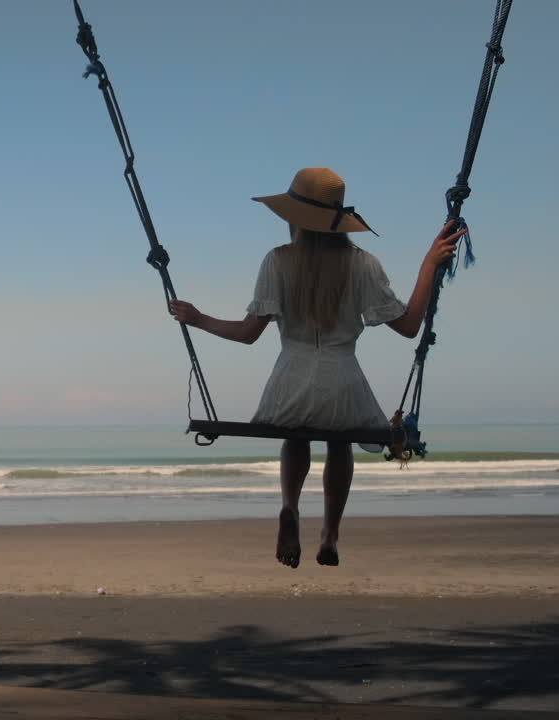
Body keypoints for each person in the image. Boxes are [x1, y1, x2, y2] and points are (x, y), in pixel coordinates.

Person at [168, 167, 464, 569]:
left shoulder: (277, 262)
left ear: (294, 218)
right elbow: (410, 326)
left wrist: (199, 318)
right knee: (340, 442)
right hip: (344, 385)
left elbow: (248, 334)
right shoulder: (363, 265)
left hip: (289, 384)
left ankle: (289, 506)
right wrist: (429, 263)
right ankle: (330, 533)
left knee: (296, 435)